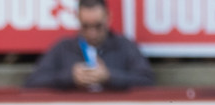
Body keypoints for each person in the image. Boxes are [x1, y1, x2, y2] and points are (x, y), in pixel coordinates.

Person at [24, 0, 153, 92]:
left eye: (98, 26)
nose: (92, 33)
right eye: (85, 26)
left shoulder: (124, 46)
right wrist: (69, 77)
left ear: (108, 18)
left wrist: (110, 77)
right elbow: (32, 82)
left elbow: (148, 82)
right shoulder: (63, 48)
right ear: (77, 18)